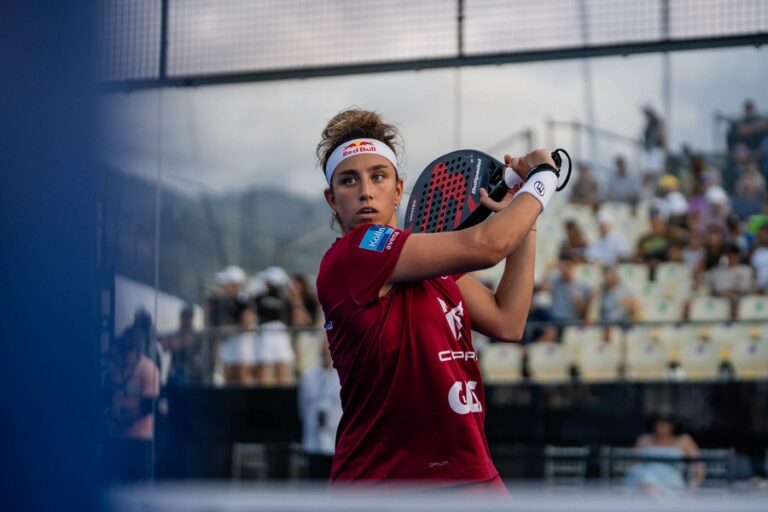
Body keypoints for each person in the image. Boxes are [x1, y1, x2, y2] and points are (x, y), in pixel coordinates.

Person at [315, 108, 560, 491]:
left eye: (378, 176)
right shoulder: (355, 253)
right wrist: (543, 178)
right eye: (349, 180)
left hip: (470, 471)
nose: (365, 191)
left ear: (398, 189)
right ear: (332, 199)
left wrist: (524, 218)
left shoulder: (427, 264)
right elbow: (488, 245)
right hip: (387, 486)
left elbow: (507, 321)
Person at [102, 331, 160, 484]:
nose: (123, 358)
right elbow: (106, 396)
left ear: (135, 352)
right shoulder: (115, 369)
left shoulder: (148, 369)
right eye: (121, 353)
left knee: (135, 482)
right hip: (115, 434)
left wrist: (124, 418)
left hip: (138, 436)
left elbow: (149, 405)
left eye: (126, 353)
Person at [624, 415, 704, 496]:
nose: (661, 426)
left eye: (665, 423)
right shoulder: (644, 439)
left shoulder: (684, 440)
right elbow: (633, 463)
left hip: (671, 484)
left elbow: (699, 467)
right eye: (659, 423)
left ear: (672, 425)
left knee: (646, 480)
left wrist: (691, 491)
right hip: (643, 482)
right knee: (639, 472)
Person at [298, 343, 342, 480]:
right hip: (314, 439)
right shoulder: (308, 376)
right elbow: (302, 406)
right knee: (315, 480)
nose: (327, 357)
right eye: (324, 353)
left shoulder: (341, 375)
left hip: (335, 440)